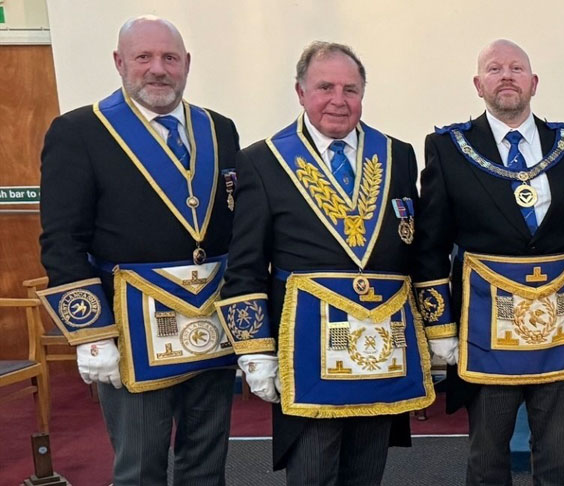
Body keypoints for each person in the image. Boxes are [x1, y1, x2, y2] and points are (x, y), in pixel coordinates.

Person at [216, 41, 434, 485]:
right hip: (308, 356)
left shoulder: (398, 154)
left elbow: (414, 253)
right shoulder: (263, 161)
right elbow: (246, 266)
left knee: (367, 472)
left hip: (383, 350)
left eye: (350, 89)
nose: (339, 100)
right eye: (325, 87)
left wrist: (433, 333)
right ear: (300, 92)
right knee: (313, 473)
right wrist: (254, 350)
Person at [36, 15, 240, 485]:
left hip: (211, 320)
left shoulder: (219, 129)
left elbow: (233, 228)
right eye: (143, 57)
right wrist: (90, 332)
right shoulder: (80, 131)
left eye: (169, 58)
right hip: (131, 330)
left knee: (207, 464)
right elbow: (62, 239)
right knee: (141, 466)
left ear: (186, 64)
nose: (158, 69)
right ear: (119, 63)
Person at [413, 39, 564, 486]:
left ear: (534, 82)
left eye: (517, 68)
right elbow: (430, 244)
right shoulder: (448, 147)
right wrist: (440, 327)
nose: (507, 76)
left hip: (559, 331)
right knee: (488, 460)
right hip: (484, 332)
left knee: (558, 459)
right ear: (479, 85)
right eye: (494, 69)